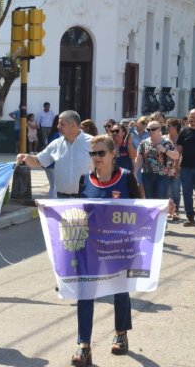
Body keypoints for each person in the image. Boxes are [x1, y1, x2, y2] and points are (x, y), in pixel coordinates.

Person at [70, 135, 142, 366]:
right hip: (90, 247)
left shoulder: (126, 178)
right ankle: (84, 346)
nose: (96, 158)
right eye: (93, 154)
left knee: (120, 290)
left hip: (119, 245)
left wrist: (163, 209)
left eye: (101, 153)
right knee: (85, 294)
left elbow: (142, 209)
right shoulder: (85, 180)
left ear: (113, 154)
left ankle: (121, 333)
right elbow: (77, 211)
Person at [17, 110, 92, 198]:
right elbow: (38, 160)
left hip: (86, 198)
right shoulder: (56, 144)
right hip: (61, 199)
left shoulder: (92, 143)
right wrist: (26, 158)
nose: (58, 126)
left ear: (74, 125)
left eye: (62, 124)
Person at [133, 120, 179, 199]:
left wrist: (165, 150)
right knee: (149, 199)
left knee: (161, 198)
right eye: (148, 129)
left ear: (159, 129)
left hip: (163, 175)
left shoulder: (167, 142)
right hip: (147, 175)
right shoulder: (143, 143)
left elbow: (176, 156)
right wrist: (134, 173)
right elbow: (138, 159)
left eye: (153, 129)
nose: (150, 131)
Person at [164, 118, 182, 220]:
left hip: (178, 167)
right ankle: (169, 211)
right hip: (165, 168)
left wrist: (177, 168)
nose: (167, 127)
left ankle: (176, 212)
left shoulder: (180, 138)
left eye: (169, 125)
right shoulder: (164, 138)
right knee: (167, 191)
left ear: (175, 127)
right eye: (166, 125)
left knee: (175, 191)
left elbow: (182, 154)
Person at [44, 115, 61, 198]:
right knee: (55, 186)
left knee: (52, 186)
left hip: (47, 163)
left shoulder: (51, 134)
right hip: (54, 164)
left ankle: (50, 203)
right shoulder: (58, 135)